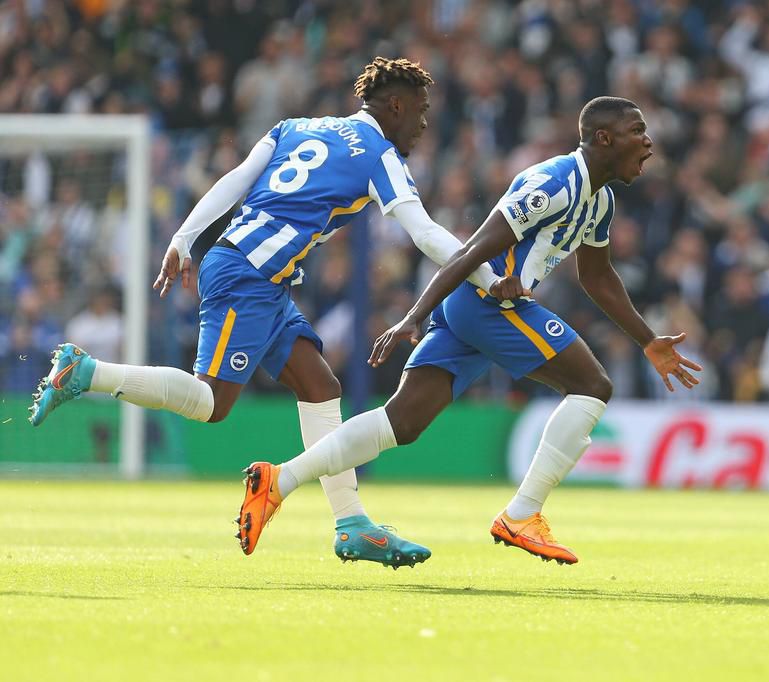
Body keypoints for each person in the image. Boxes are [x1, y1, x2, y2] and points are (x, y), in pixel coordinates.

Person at [29, 57, 525, 569]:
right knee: (211, 402)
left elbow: (236, 180)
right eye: (420, 112)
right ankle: (86, 373)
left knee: (320, 386)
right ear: (395, 106)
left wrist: (183, 236)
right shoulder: (380, 155)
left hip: (259, 275)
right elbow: (424, 233)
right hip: (247, 275)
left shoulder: (297, 126)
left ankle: (352, 524)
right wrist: (488, 279)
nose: (424, 125)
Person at [236, 97, 703, 565]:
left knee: (402, 421)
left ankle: (278, 481)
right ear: (604, 139)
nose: (648, 142)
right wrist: (415, 314)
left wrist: (647, 339)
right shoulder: (552, 184)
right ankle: (522, 514)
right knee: (592, 385)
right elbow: (470, 251)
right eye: (638, 131)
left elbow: (598, 277)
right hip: (487, 303)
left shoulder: (599, 200)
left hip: (476, 308)